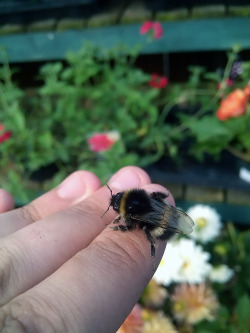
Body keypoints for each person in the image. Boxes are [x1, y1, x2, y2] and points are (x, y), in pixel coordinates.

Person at [0, 166, 174, 332]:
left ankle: (152, 252)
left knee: (143, 228)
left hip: (160, 225)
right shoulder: (141, 197)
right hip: (162, 214)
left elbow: (131, 223)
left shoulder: (132, 211)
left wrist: (121, 229)